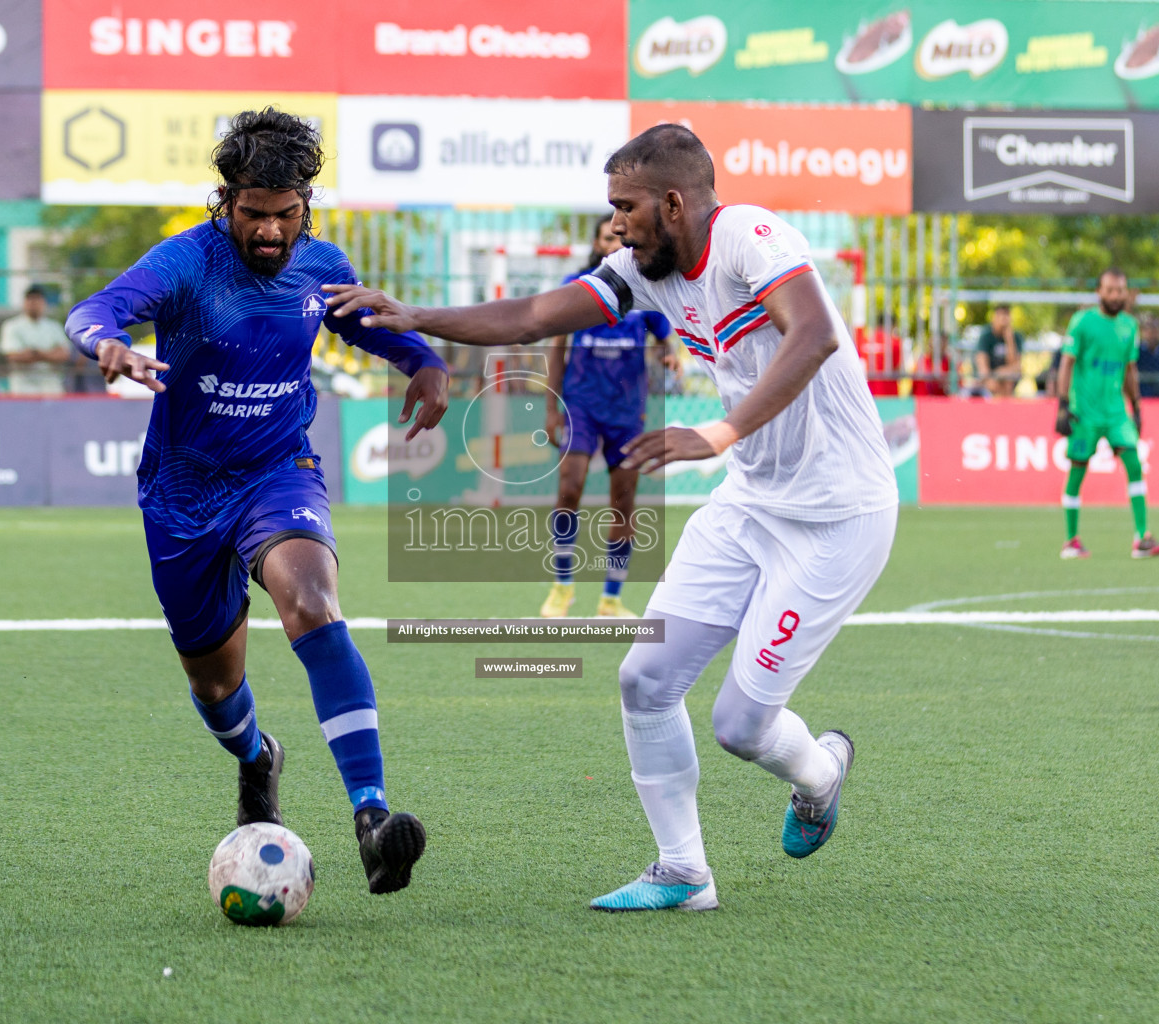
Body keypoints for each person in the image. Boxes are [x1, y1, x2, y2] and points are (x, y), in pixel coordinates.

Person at [325, 123, 899, 912]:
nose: (616, 223)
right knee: (645, 678)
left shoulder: (749, 237)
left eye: (625, 207)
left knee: (740, 723)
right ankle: (684, 871)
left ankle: (821, 773)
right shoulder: (639, 271)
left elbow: (817, 335)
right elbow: (531, 318)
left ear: (673, 202)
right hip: (751, 503)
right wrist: (414, 314)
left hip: (841, 514)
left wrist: (721, 431)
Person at [64, 108, 449, 895]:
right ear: (226, 202)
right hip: (182, 493)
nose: (269, 232)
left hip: (279, 471)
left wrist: (426, 363)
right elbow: (96, 308)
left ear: (305, 204)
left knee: (311, 600)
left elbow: (380, 331)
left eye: (284, 215)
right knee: (213, 684)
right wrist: (103, 340)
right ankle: (256, 757)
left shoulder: (321, 265)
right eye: (253, 214)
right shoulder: (186, 263)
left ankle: (372, 817)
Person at [541, 213, 677, 619]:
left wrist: (668, 355)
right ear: (597, 244)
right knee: (570, 488)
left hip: (626, 411)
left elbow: (665, 337)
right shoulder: (576, 288)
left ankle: (611, 598)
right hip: (580, 405)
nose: (614, 244)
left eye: (619, 238)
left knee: (624, 503)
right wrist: (552, 407)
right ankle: (562, 587)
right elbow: (557, 349)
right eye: (606, 238)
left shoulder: (646, 292)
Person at [1054, 270, 1159, 560]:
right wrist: (1063, 405)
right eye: (1111, 290)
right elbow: (1067, 364)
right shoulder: (1083, 322)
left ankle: (1142, 537)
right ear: (1099, 291)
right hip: (1085, 413)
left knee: (1134, 463)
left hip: (1117, 412)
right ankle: (1071, 540)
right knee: (1077, 471)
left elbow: (1130, 370)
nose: (1116, 296)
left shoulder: (1129, 326)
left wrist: (1138, 407)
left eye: (1121, 291)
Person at [0, 285, 71, 395]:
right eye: (30, 299)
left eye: (37, 299)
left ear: (44, 302)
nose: (34, 303)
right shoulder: (12, 326)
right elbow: (13, 355)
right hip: (23, 389)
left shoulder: (54, 326)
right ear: (24, 302)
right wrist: (49, 354)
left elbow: (63, 354)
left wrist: (36, 353)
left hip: (51, 388)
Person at [974, 304, 1023, 397]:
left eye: (1006, 316)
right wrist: (992, 376)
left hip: (1006, 378)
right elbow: (982, 364)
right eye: (1001, 316)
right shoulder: (986, 336)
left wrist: (1009, 340)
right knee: (994, 383)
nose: (1004, 320)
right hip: (990, 378)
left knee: (1009, 380)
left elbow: (1016, 365)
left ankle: (1004, 405)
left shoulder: (1016, 337)